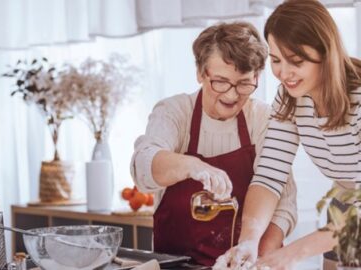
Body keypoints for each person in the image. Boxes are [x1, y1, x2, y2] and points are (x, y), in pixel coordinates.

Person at [130, 22, 297, 266]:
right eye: (220, 81)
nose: (231, 95)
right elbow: (143, 167)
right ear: (200, 72)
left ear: (257, 77)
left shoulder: (263, 119)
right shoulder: (175, 112)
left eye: (243, 84)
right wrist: (192, 166)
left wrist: (255, 258)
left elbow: (284, 203)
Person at [221, 1, 361, 269]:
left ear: (326, 52)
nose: (283, 74)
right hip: (344, 209)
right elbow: (269, 176)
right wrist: (249, 240)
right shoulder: (291, 98)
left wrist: (290, 253)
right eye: (275, 60)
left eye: (296, 61)